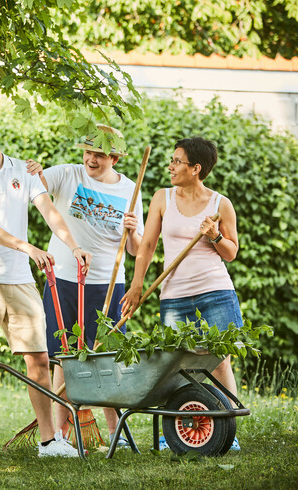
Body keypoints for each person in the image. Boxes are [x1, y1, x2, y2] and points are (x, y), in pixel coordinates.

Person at [0, 109, 92, 458]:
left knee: (40, 358)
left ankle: (48, 441)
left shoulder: (23, 172)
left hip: (19, 280)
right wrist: (27, 246)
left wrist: (73, 245)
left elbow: (48, 210)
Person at [120, 136, 242, 451]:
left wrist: (215, 235)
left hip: (214, 291)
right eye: (172, 160)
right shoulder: (162, 198)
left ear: (196, 168)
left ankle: (228, 430)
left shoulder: (220, 204)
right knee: (174, 365)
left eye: (177, 161)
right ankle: (174, 426)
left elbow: (230, 252)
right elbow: (146, 246)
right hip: (173, 295)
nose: (171, 166)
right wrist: (136, 285)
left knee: (219, 360)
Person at [27, 124, 144, 448]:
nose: (92, 159)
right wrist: (34, 172)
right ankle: (61, 435)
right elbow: (29, 187)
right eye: (89, 152)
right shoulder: (67, 174)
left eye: (101, 154)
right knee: (65, 354)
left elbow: (135, 249)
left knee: (108, 357)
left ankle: (114, 433)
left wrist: (133, 231)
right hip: (63, 276)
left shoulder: (130, 191)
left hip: (108, 283)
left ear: (115, 158)